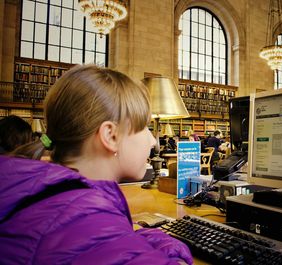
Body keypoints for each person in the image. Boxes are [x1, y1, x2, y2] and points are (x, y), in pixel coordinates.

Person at [0, 65, 192, 265]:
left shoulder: (48, 194)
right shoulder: (83, 219)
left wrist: (137, 237)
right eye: (144, 127)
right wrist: (170, 247)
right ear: (111, 135)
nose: (153, 141)